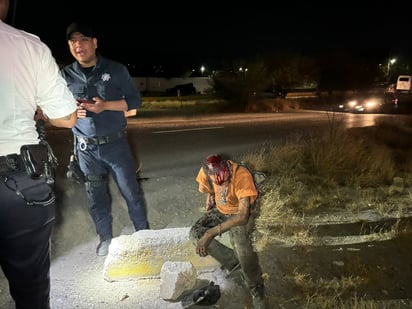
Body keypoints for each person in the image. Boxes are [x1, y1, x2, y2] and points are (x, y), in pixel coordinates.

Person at [0, 0, 78, 307]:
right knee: (30, 290)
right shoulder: (27, 46)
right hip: (18, 184)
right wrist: (37, 109)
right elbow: (67, 117)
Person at [61, 22, 149, 256]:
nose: (79, 45)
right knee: (96, 198)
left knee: (131, 193)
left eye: (83, 40)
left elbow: (135, 102)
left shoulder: (116, 69)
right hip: (86, 150)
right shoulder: (65, 75)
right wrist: (70, 112)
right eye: (73, 41)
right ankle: (105, 239)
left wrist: (105, 106)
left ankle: (145, 237)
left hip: (116, 145)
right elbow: (56, 109)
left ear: (94, 42)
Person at [189, 154, 267, 309]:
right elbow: (206, 185)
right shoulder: (206, 172)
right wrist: (211, 194)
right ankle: (234, 264)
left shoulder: (241, 176)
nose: (219, 182)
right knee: (195, 234)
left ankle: (256, 286)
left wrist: (210, 233)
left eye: (223, 179)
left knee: (242, 246)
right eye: (214, 178)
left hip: (240, 213)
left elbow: (243, 217)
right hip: (221, 211)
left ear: (227, 169)